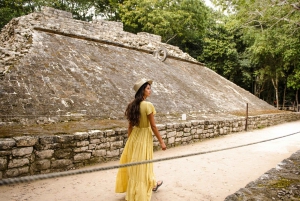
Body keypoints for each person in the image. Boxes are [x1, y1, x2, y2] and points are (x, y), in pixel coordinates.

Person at [115, 78, 167, 201]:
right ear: (142, 91)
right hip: (144, 137)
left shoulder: (132, 105)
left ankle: (152, 183)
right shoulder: (148, 105)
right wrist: (162, 142)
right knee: (144, 164)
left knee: (136, 165)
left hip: (134, 136)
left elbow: (130, 126)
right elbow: (153, 126)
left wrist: (130, 141)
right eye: (148, 88)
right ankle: (143, 190)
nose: (150, 90)